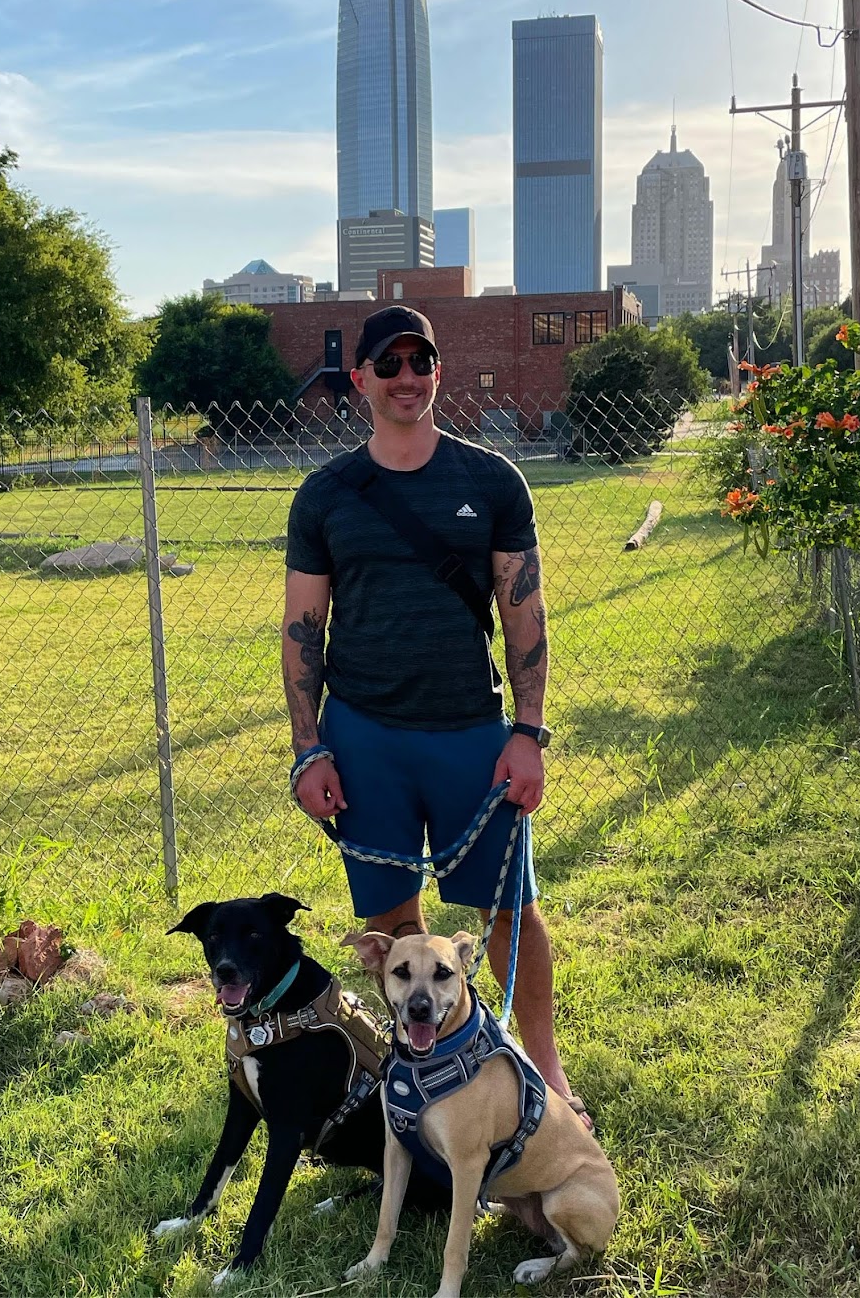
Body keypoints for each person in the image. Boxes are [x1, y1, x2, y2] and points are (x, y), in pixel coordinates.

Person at [281, 304, 589, 1126]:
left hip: (469, 737)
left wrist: (528, 734)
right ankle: (419, 1069)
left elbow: (524, 614)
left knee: (509, 911)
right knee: (393, 924)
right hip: (365, 736)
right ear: (362, 381)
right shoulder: (327, 494)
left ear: (437, 374)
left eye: (421, 363)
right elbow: (302, 628)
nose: (407, 378)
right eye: (390, 365)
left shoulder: (490, 481)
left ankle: (543, 1068)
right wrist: (310, 750)